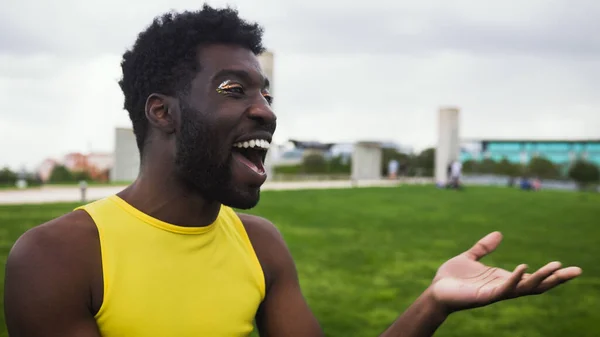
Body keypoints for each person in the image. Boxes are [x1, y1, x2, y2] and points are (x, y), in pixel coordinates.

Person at [4, 6, 582, 337]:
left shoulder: (261, 244)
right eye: (234, 89)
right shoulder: (59, 257)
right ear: (163, 111)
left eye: (265, 91)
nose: (266, 110)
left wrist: (432, 302)